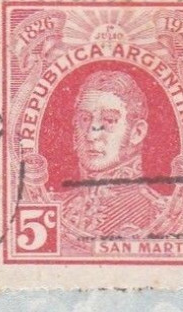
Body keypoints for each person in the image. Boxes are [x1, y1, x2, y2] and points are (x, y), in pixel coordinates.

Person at [58, 68, 168, 245]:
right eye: (85, 119)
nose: (91, 135)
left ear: (137, 132)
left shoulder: (158, 214)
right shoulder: (57, 210)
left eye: (109, 121)